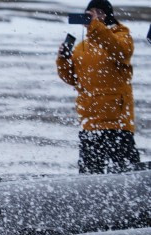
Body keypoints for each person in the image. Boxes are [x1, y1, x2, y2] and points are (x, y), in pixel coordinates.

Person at [56, 0, 140, 174]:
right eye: (90, 12)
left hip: (117, 123)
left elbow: (120, 51)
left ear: (108, 15)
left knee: (128, 175)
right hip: (90, 124)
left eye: (98, 12)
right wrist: (63, 60)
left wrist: (95, 26)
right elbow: (72, 79)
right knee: (89, 177)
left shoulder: (121, 36)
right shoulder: (81, 47)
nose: (93, 16)